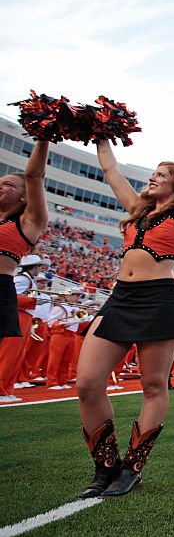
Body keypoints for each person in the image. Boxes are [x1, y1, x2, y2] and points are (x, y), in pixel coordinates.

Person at [75, 138, 174, 498]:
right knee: (87, 383)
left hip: (158, 300)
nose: (153, 178)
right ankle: (105, 463)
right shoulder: (137, 210)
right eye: (154, 173)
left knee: (154, 386)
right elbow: (111, 171)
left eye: (162, 174)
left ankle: (133, 466)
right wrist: (102, 135)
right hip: (120, 298)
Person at [0, 140, 48, 401]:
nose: (1, 186)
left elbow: (34, 175)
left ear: (24, 196)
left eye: (9, 184)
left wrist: (44, 137)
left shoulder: (29, 222)